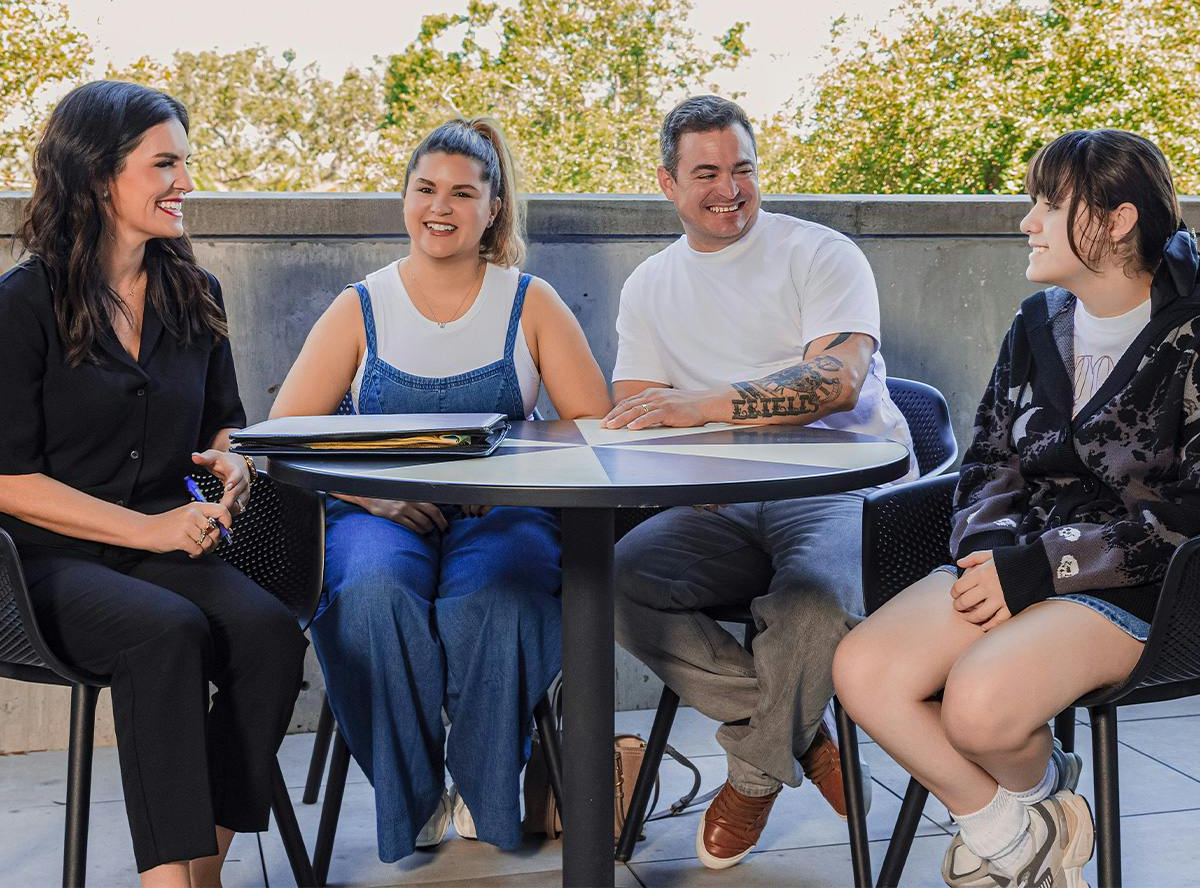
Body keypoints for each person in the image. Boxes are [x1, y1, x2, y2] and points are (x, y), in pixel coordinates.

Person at [833, 129, 1200, 888]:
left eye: (1047, 204)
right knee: (863, 668)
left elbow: (1187, 516)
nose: (1027, 221)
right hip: (1019, 561)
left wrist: (1038, 569)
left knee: (977, 706)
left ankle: (1016, 826)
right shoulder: (1037, 325)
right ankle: (1022, 827)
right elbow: (991, 459)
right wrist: (993, 553)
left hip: (1144, 587)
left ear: (1116, 218)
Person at [271, 117, 610, 863]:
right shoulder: (361, 305)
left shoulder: (532, 302)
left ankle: (486, 793)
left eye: (463, 192)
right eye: (426, 188)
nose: (441, 206)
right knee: (371, 596)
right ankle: (413, 797)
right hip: (380, 513)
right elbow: (285, 431)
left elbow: (594, 428)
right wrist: (375, 499)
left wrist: (509, 474)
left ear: (494, 209)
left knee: (502, 597)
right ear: (404, 198)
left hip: (503, 513)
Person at [0, 81, 307, 888]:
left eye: (185, 162)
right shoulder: (23, 304)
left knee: (271, 636)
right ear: (100, 176)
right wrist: (146, 530)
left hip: (161, 547)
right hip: (40, 564)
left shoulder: (192, 293)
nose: (184, 182)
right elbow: (7, 479)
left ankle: (197, 871)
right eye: (164, 164)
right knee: (163, 633)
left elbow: (224, 423)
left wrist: (230, 462)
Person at [605, 94, 914, 871]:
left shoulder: (822, 254)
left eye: (742, 168)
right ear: (668, 184)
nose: (729, 189)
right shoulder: (649, 285)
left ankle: (750, 776)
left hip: (841, 488)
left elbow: (835, 383)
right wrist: (684, 461)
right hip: (722, 501)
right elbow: (634, 414)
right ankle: (803, 736)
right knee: (607, 581)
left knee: (810, 606)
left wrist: (703, 407)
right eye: (705, 172)